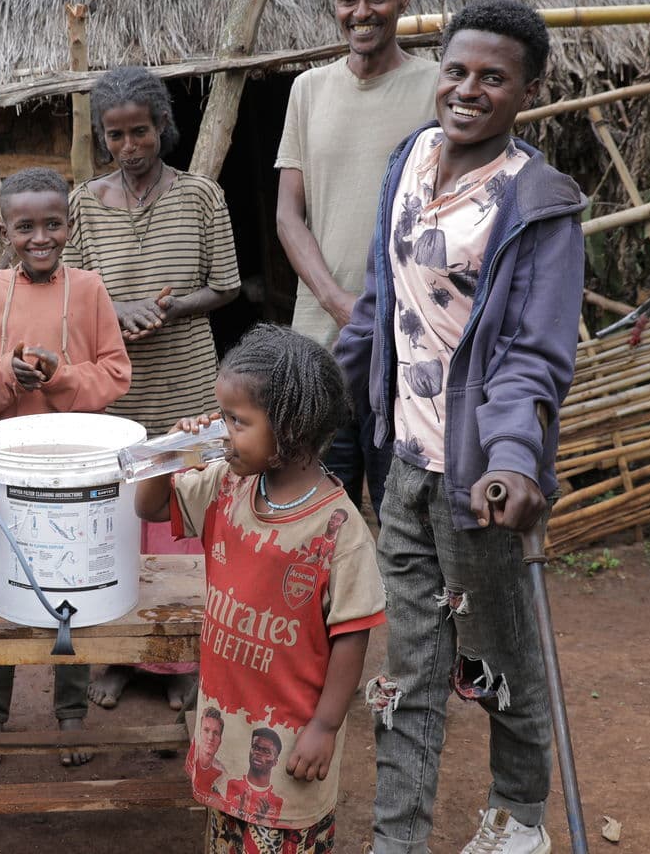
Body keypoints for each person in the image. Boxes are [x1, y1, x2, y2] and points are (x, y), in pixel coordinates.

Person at [335, 0, 587, 854]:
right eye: (456, 70)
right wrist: (320, 402)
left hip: (479, 481)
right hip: (402, 466)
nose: (469, 90)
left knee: (500, 665)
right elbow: (379, 308)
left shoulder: (538, 201)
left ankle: (518, 821)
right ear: (435, 71)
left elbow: (534, 354)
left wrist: (514, 459)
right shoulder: (408, 161)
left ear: (527, 91)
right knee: (411, 673)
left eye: (494, 78)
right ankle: (396, 840)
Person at [134, 324, 385, 854]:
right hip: (225, 737)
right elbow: (151, 508)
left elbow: (352, 634)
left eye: (238, 421)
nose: (223, 433)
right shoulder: (228, 484)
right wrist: (175, 454)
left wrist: (325, 725)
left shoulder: (338, 531)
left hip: (290, 744)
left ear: (291, 429)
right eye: (223, 417)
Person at [66, 64, 240, 712]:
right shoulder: (85, 203)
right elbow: (78, 297)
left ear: (163, 127)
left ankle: (183, 659)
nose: (130, 147)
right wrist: (118, 307)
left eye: (141, 131)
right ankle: (115, 655)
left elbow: (226, 286)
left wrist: (163, 310)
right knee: (117, 520)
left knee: (184, 516)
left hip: (187, 381)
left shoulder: (201, 197)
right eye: (116, 136)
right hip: (117, 391)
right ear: (102, 137)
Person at [0, 166, 131, 767]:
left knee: (69, 585)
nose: (40, 237)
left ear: (69, 225)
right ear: (5, 231)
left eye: (52, 224)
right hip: (7, 472)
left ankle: (71, 714)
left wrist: (60, 376)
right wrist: (6, 374)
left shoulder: (90, 291)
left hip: (77, 472)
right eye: (25, 226)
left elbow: (114, 374)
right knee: (7, 580)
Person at [275, 0, 437, 513]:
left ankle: (400, 607)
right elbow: (288, 214)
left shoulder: (437, 88)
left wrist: (375, 313)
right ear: (334, 3)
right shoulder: (308, 90)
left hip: (407, 341)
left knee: (402, 511)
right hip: (321, 340)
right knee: (319, 509)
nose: (361, 12)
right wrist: (340, 302)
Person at [193, 707, 228, 796]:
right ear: (199, 732)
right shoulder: (192, 758)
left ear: (220, 740)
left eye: (216, 733)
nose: (210, 738)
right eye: (206, 730)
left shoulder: (221, 773)